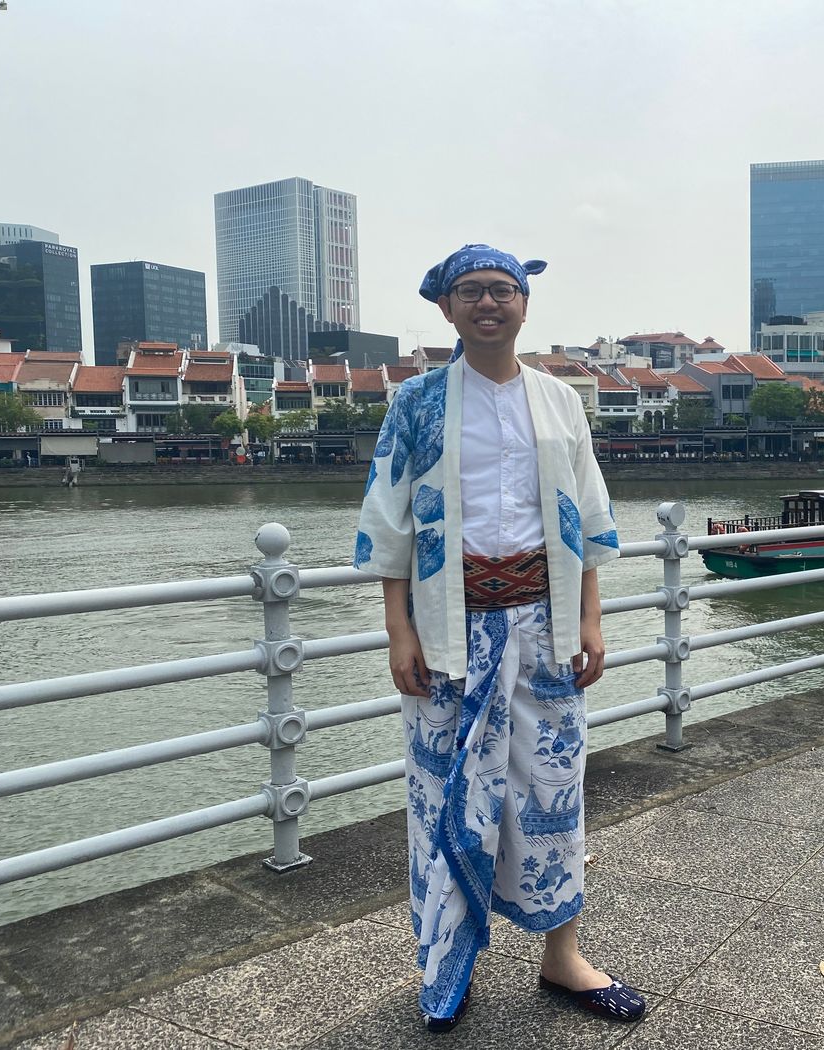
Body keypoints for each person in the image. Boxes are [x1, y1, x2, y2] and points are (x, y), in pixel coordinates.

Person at [353, 244, 644, 1032]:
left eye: (502, 290)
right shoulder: (415, 402)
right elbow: (390, 523)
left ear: (525, 304)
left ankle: (562, 956)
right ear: (445, 309)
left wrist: (590, 618)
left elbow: (587, 514)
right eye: (471, 292)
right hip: (449, 632)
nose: (488, 303)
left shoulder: (559, 401)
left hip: (543, 626)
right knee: (445, 797)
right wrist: (397, 631)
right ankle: (447, 965)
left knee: (553, 792)